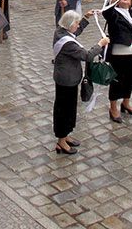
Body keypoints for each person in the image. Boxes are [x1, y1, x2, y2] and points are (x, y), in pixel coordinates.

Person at [52, 10, 109, 155]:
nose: (78, 25)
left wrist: (86, 18)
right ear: (70, 25)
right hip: (66, 80)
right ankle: (61, 141)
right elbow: (88, 56)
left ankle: (66, 135)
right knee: (63, 111)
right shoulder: (68, 44)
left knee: (70, 109)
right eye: (76, 23)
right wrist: (100, 44)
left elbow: (75, 33)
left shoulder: (61, 31)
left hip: (69, 79)